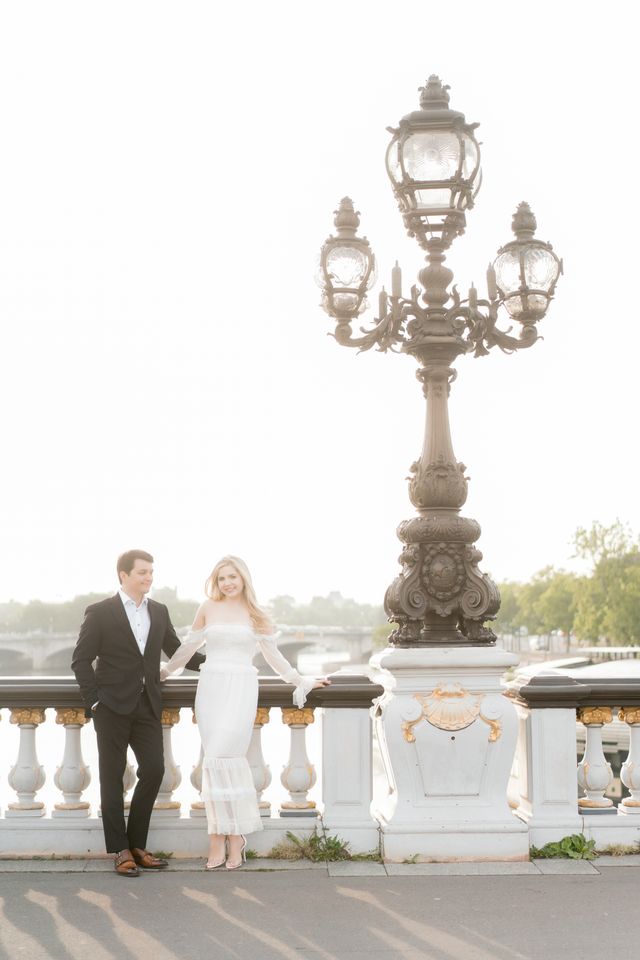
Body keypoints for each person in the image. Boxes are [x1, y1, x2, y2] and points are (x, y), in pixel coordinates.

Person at [160, 555, 329, 870]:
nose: (226, 583)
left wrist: (300, 680)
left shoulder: (256, 614)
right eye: (222, 578)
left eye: (232, 577)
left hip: (240, 686)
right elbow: (188, 647)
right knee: (212, 761)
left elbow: (273, 655)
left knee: (229, 756)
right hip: (210, 686)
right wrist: (167, 672)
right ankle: (217, 837)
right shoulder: (207, 608)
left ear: (243, 579)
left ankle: (235, 836)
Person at [71, 549, 205, 877]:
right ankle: (121, 850)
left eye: (151, 572)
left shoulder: (158, 611)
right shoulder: (100, 612)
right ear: (124, 575)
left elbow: (177, 652)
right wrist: (95, 702)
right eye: (142, 572)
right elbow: (80, 660)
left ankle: (136, 844)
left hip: (147, 706)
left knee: (155, 770)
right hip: (110, 708)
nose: (149, 578)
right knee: (112, 777)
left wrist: (219, 664)